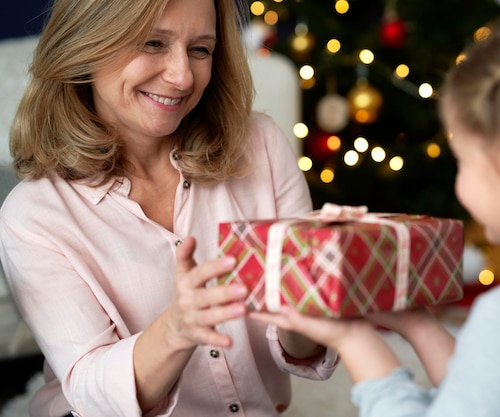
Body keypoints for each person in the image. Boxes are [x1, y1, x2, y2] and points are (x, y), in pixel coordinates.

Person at [251, 13, 500, 417]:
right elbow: (487, 394)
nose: (459, 182)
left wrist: (355, 341)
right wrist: (418, 325)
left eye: (462, 160)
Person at [0, 0, 338, 415]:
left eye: (200, 50)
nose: (181, 77)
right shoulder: (34, 216)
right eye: (153, 42)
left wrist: (303, 310)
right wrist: (176, 329)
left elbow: (306, 347)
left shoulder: (261, 145)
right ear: (85, 45)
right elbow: (89, 392)